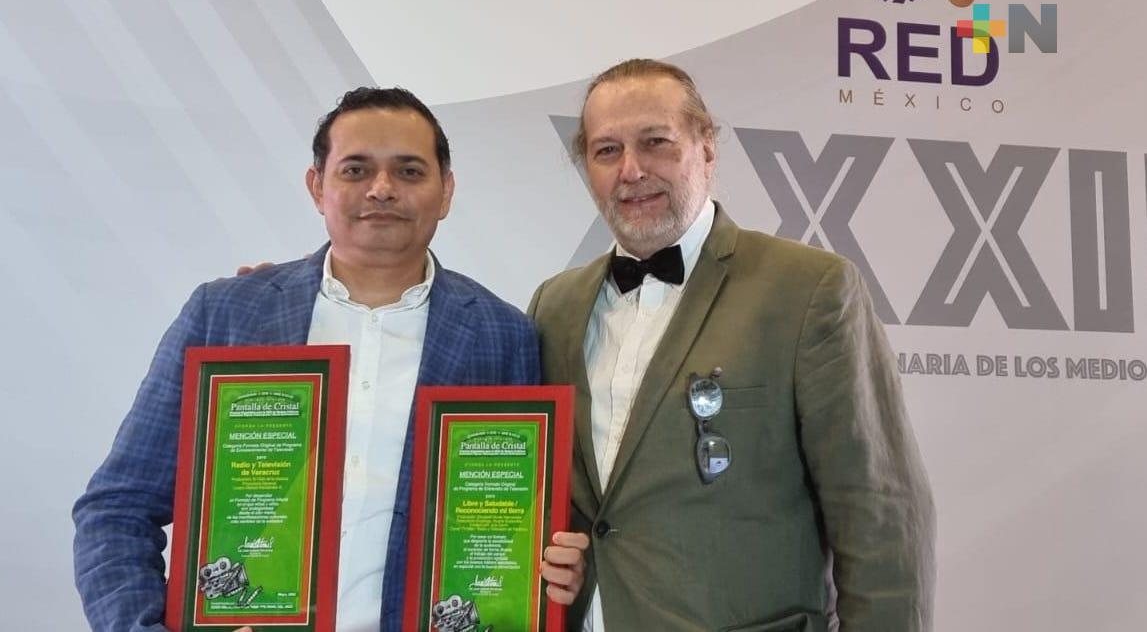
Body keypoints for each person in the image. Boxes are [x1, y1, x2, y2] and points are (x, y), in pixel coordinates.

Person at [72, 87, 587, 632]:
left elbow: (510, 535)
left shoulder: (501, 335)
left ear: (446, 191)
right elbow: (117, 509)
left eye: (409, 171)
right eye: (356, 170)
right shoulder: (225, 315)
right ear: (317, 186)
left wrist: (553, 568)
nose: (382, 189)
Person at [527, 59, 936, 631]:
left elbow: (880, 513)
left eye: (655, 142)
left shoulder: (808, 289)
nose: (631, 170)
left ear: (707, 147)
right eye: (607, 151)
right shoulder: (555, 305)